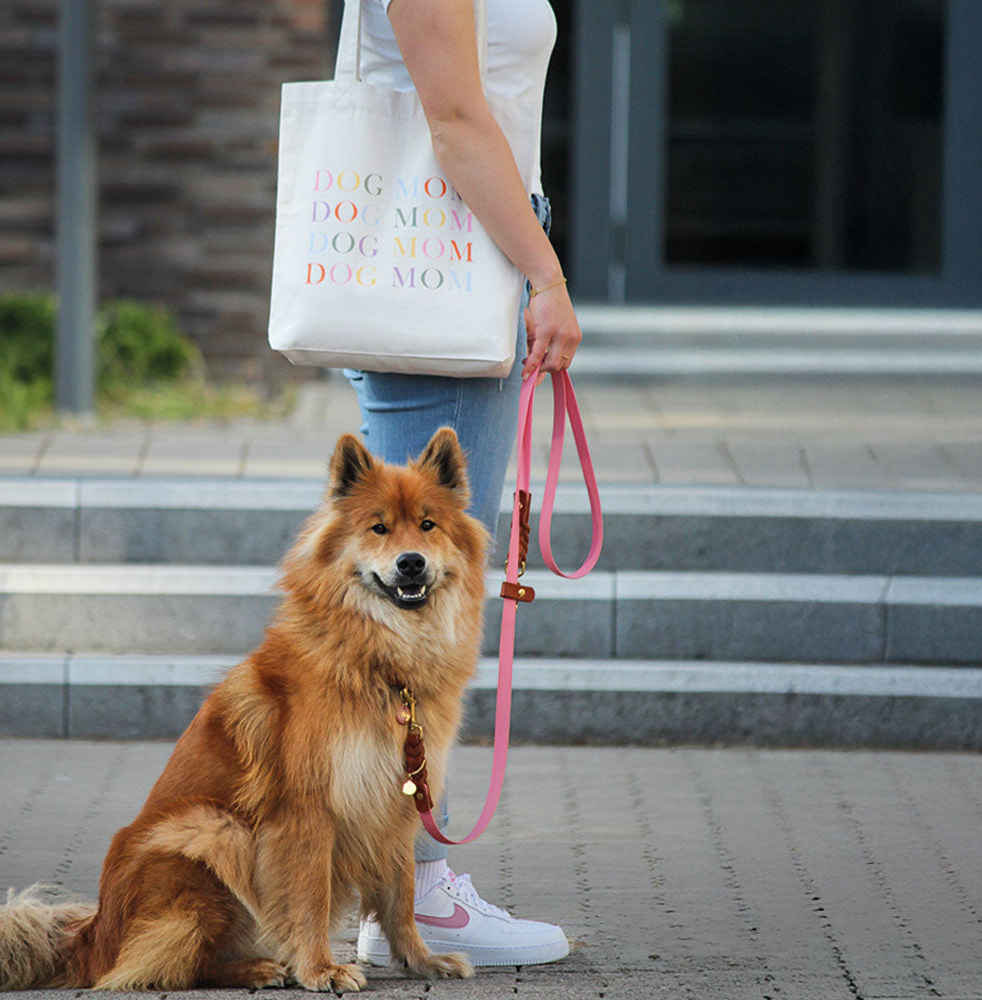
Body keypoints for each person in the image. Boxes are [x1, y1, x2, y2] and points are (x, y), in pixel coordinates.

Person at [337, 0, 582, 969]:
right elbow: (454, 119)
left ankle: (402, 885)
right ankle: (415, 893)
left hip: (459, 270)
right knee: (412, 613)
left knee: (415, 611)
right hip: (441, 274)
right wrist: (546, 275)